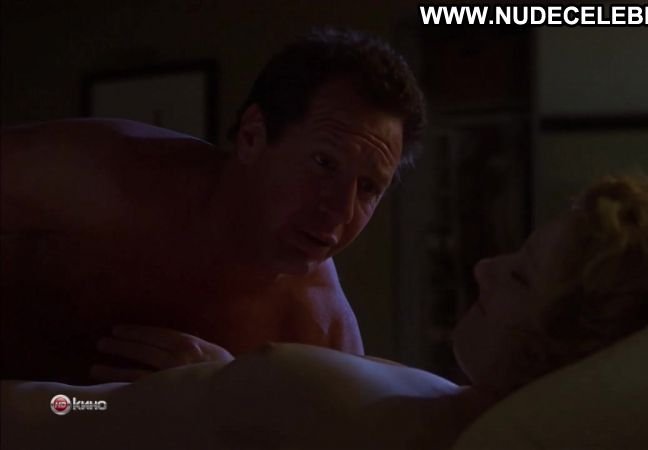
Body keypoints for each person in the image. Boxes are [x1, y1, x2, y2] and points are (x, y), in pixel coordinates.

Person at [2, 175, 648, 450]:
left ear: (574, 345)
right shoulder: (431, 409)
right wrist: (218, 390)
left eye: (519, 277)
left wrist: (215, 398)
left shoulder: (320, 395)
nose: (482, 268)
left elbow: (64, 417)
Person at [0, 28, 426, 384]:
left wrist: (235, 392)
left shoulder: (318, 331)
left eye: (368, 187)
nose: (341, 210)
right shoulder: (100, 178)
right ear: (253, 136)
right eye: (324, 163)